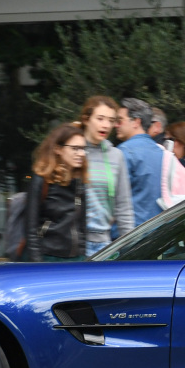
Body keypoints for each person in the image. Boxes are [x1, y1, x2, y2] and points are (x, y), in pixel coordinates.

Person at [77, 96, 134, 255]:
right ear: (86, 119)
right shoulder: (74, 152)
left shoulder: (116, 156)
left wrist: (129, 248)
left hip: (104, 245)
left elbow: (124, 207)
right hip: (75, 244)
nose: (106, 125)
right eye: (100, 118)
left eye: (111, 120)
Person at [24, 125, 88, 262]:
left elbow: (81, 226)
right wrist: (37, 264)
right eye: (75, 148)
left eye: (83, 149)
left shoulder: (79, 182)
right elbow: (30, 228)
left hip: (76, 259)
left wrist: (82, 255)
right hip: (48, 257)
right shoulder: (42, 179)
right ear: (58, 149)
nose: (81, 153)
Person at [115, 97, 166, 225]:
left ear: (136, 122)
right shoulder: (163, 153)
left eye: (120, 120)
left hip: (129, 235)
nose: (116, 125)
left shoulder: (123, 152)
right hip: (160, 232)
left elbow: (113, 199)